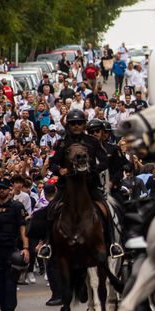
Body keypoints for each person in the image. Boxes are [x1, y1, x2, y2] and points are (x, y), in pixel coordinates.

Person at [48, 109, 122, 257]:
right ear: (68, 125)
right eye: (73, 123)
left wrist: (91, 169)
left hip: (89, 185)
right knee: (51, 210)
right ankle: (47, 244)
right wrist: (60, 170)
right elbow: (52, 163)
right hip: (66, 187)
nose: (76, 126)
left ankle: (113, 243)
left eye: (79, 123)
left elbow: (104, 162)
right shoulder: (61, 143)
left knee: (106, 209)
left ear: (84, 124)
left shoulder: (93, 141)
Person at [0, 178, 29, 311]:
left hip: (11, 249)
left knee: (10, 284)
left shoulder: (17, 207)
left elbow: (23, 229)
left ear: (9, 190)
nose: (1, 190)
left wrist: (26, 248)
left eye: (4, 188)